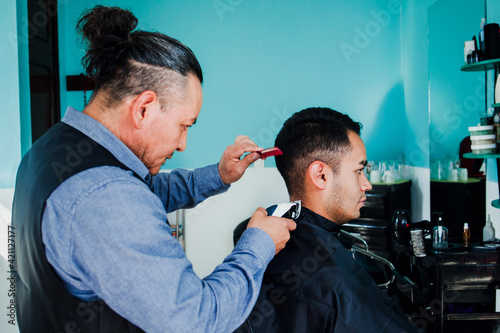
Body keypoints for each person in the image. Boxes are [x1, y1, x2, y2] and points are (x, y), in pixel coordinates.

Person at [12, 6, 295, 333]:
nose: (182, 144)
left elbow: (140, 193)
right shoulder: (105, 197)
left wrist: (220, 174)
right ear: (144, 109)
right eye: (184, 125)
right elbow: (197, 320)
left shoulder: (47, 150)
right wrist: (257, 244)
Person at [236, 107, 418, 332]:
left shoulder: (263, 226)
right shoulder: (335, 283)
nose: (367, 185)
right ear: (320, 175)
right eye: (359, 171)